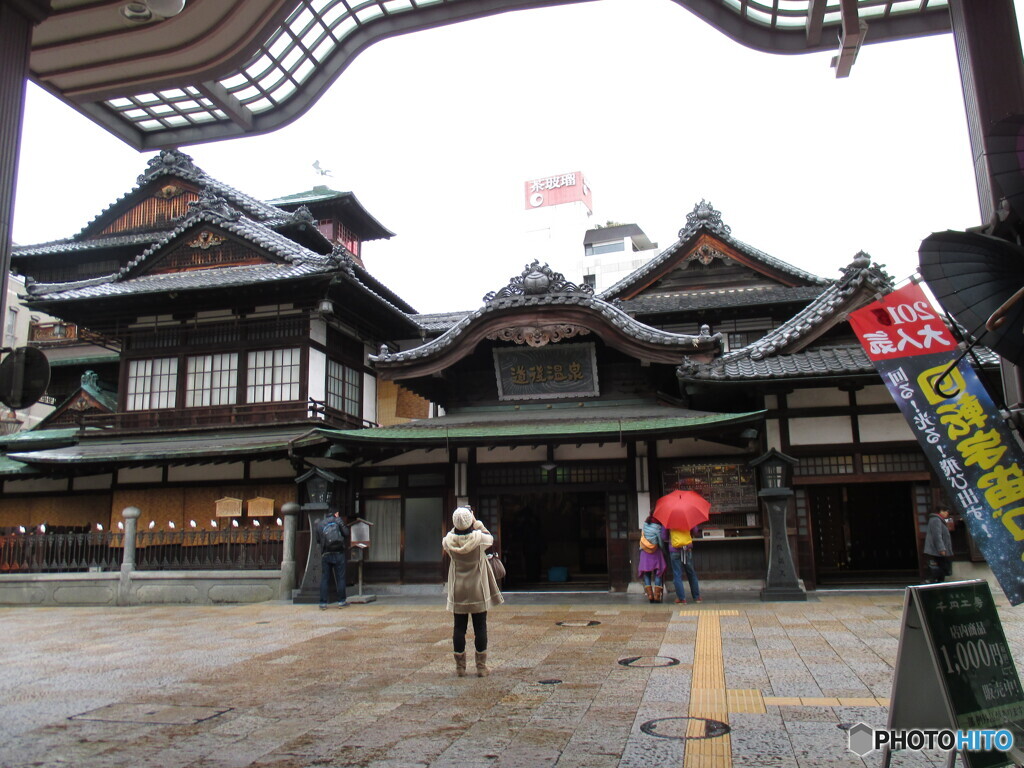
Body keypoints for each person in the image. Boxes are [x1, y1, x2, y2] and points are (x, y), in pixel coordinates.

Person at [442, 506, 504, 677]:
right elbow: (490, 537)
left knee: (459, 627)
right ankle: (481, 667)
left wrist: (459, 522)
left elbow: (450, 534)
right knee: (480, 626)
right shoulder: (479, 539)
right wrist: (475, 521)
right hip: (478, 587)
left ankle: (460, 667)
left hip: (458, 588)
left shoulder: (447, 541)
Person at [316, 508, 350, 610]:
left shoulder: (320, 524)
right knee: (340, 577)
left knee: (325, 578)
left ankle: (323, 603)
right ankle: (341, 601)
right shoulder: (338, 521)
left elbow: (318, 540)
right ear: (336, 513)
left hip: (326, 553)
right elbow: (346, 533)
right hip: (339, 552)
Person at [638, 514, 668, 603]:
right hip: (655, 552)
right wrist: (664, 550)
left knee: (647, 573)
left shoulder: (645, 524)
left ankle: (650, 595)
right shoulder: (658, 527)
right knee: (657, 572)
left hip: (644, 552)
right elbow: (660, 541)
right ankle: (657, 596)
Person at [669, 525, 701, 604]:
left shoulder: (669, 519)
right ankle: (697, 597)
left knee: (677, 574)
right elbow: (696, 530)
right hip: (687, 549)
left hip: (674, 549)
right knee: (691, 573)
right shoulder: (687, 518)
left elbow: (663, 536)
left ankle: (681, 598)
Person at [924, 505, 953, 583]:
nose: (947, 513)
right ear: (941, 511)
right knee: (941, 567)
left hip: (940, 549)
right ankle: (934, 580)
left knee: (943, 567)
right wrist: (941, 548)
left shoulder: (940, 520)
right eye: (946, 511)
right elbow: (937, 535)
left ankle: (939, 582)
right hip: (937, 550)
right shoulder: (936, 519)